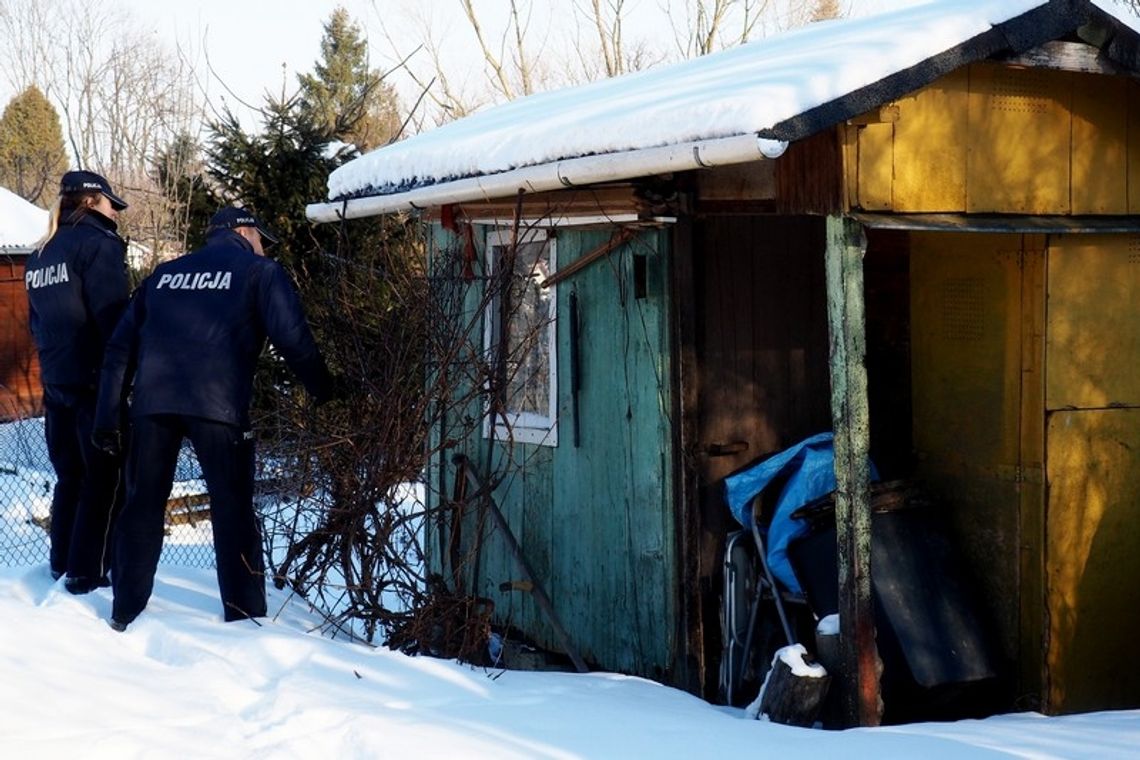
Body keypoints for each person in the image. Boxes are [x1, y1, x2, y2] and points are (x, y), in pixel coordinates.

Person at [94, 206, 335, 631]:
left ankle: (124, 609)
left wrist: (107, 418)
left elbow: (118, 350)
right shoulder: (260, 273)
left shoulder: (164, 275)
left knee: (142, 505)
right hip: (219, 409)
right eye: (261, 237)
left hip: (153, 405)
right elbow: (294, 339)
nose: (263, 247)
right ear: (244, 231)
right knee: (233, 507)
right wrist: (325, 390)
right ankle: (243, 617)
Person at [25, 170, 130, 594]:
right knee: (103, 481)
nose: (115, 214)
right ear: (91, 202)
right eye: (110, 204)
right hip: (95, 385)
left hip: (56, 384)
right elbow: (114, 322)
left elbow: (36, 326)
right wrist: (125, 381)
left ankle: (61, 564)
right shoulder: (98, 246)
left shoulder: (40, 254)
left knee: (70, 477)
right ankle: (88, 575)